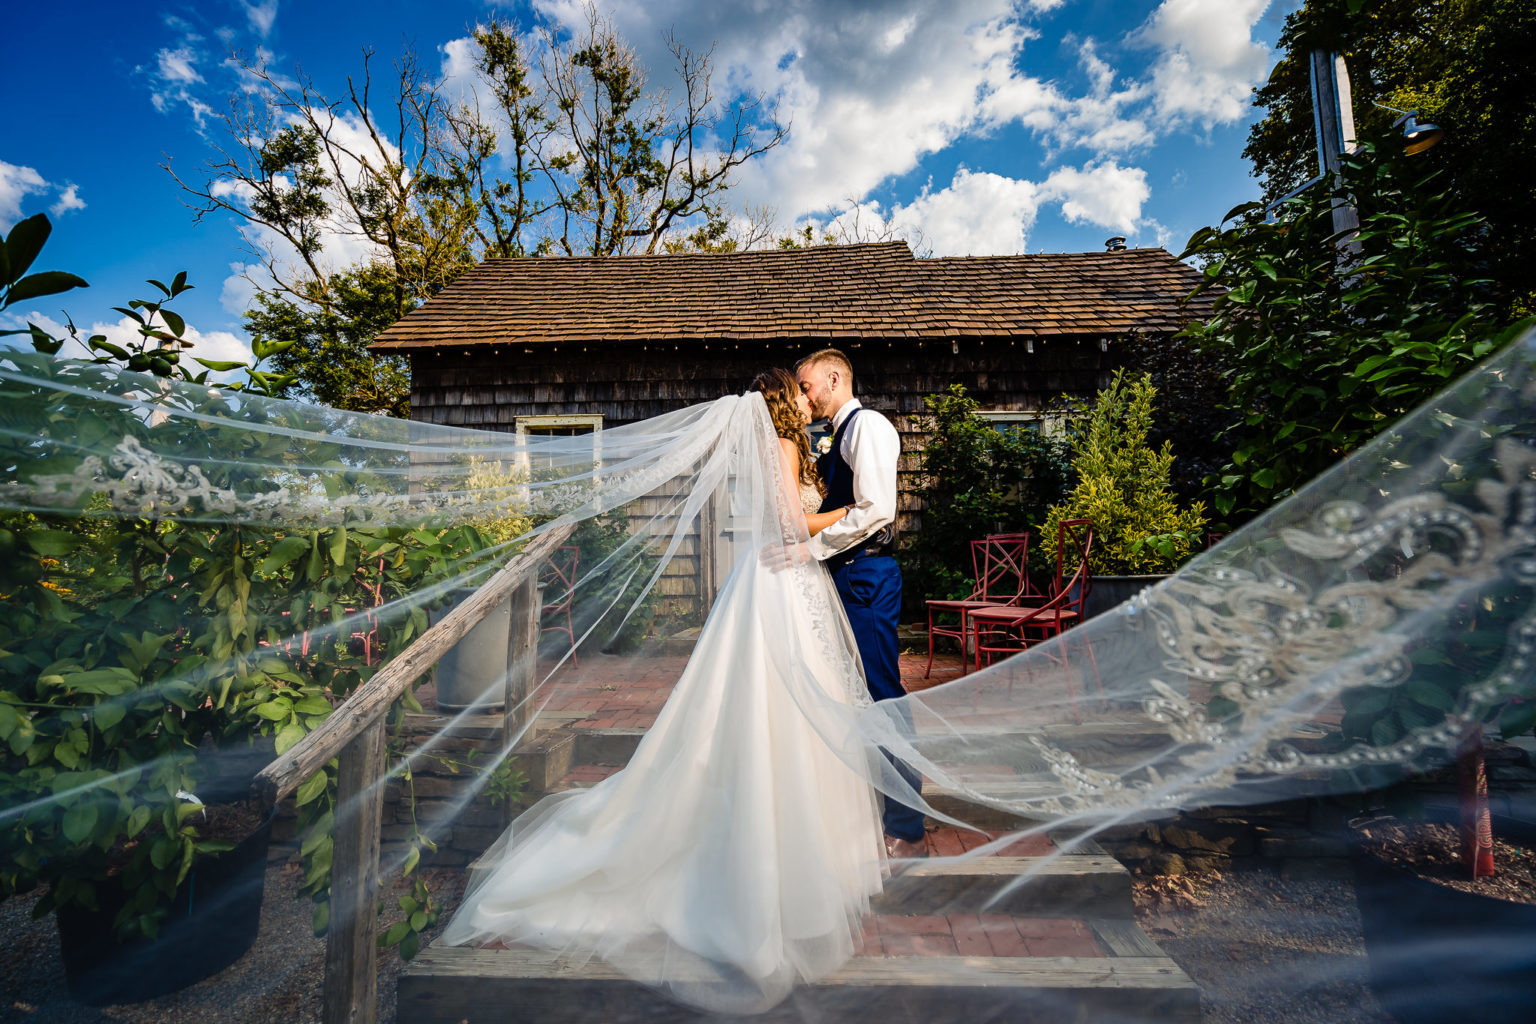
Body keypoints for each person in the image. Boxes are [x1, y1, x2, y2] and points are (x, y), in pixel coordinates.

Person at [439, 367, 886, 1014]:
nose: (803, 395)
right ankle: (776, 877)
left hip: (764, 587)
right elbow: (791, 524)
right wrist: (856, 511)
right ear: (781, 402)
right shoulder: (785, 445)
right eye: (795, 389)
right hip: (782, 585)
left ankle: (775, 850)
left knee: (753, 717)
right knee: (784, 716)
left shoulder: (765, 444)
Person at [794, 348, 928, 861]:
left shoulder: (867, 426)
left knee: (882, 696)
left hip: (866, 574)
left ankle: (908, 828)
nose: (804, 396)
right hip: (845, 575)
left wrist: (807, 551)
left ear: (834, 377)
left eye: (807, 386)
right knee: (852, 694)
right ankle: (868, 803)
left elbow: (876, 511)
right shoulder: (836, 434)